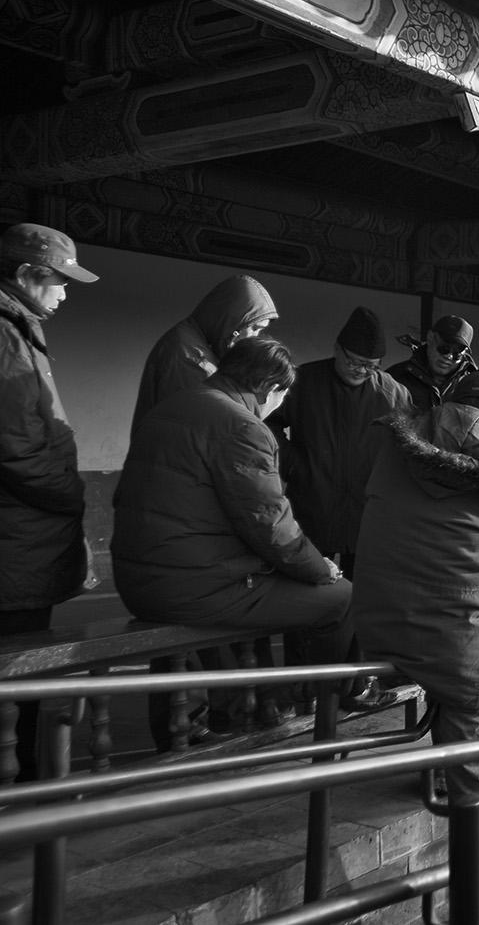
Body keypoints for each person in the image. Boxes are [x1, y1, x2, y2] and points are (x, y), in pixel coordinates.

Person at [354, 369, 479, 925]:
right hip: (460, 645)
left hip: (380, 625)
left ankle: (435, 766)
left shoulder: (396, 446)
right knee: (476, 780)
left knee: (440, 691)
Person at [113, 337, 355, 741]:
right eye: (283, 394)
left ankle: (271, 703)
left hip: (137, 579)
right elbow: (270, 526)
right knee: (342, 598)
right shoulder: (243, 426)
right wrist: (321, 568)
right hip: (190, 587)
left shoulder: (174, 406)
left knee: (287, 584)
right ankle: (328, 716)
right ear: (267, 389)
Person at [268, 307, 410, 708]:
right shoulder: (304, 381)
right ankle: (302, 687)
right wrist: (292, 461)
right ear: (337, 349)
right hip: (311, 502)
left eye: (370, 365)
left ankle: (356, 684)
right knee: (303, 595)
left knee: (362, 600)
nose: (360, 370)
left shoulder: (392, 393)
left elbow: (409, 447)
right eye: (353, 361)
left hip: (367, 510)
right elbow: (267, 421)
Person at [0, 222, 98, 781]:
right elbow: (17, 448)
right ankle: (28, 793)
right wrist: (70, 494)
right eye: (58, 282)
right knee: (22, 667)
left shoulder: (21, 328)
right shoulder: (7, 334)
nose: (64, 293)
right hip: (18, 534)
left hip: (22, 535)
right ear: (24, 276)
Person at [131, 274, 277, 435]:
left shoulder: (194, 342)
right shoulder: (191, 356)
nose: (254, 338)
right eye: (254, 328)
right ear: (232, 321)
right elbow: (220, 428)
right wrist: (267, 403)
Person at [388, 315, 478, 410]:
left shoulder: (475, 387)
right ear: (430, 337)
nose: (449, 356)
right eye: (444, 348)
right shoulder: (396, 378)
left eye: (457, 353)